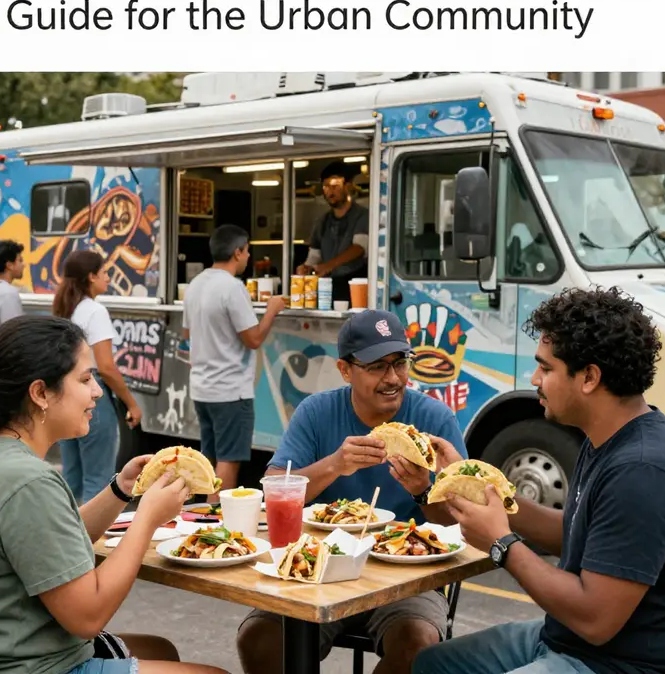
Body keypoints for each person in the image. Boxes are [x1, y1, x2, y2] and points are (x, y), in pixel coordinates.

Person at [414, 287, 665, 674]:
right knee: (429, 664)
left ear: (589, 377)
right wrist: (477, 487)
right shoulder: (609, 436)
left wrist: (501, 544)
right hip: (565, 640)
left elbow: (595, 621)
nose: (534, 378)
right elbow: (575, 533)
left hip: (616, 664)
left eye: (546, 368)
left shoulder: (643, 472)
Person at [0, 315, 226, 674]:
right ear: (40, 393)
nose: (97, 391)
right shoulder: (27, 481)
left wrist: (120, 490)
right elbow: (88, 617)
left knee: (161, 650)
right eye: (85, 379)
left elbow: (49, 543)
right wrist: (147, 518)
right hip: (30, 668)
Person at [236, 309, 467, 674]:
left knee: (418, 646)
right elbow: (274, 490)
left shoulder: (435, 419)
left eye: (400, 363)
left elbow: (463, 524)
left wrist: (424, 491)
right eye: (377, 367)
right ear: (345, 370)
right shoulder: (316, 412)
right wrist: (335, 465)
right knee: (258, 638)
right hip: (320, 567)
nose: (393, 378)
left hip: (409, 579)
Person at [182, 224, 286, 495]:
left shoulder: (195, 284)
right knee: (228, 459)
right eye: (247, 251)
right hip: (230, 390)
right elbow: (253, 339)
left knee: (210, 457)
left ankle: (202, 514)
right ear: (237, 252)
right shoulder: (232, 287)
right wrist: (272, 310)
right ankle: (216, 515)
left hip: (202, 387)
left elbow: (186, 333)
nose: (249, 256)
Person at [53, 250, 143, 504]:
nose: (108, 278)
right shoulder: (95, 311)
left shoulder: (66, 308)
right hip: (91, 396)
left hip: (65, 394)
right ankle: (93, 530)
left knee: (72, 478)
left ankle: (67, 526)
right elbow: (106, 367)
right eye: (104, 272)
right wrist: (132, 404)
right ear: (91, 277)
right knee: (98, 478)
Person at [296, 161, 369, 303]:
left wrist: (328, 266)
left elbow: (359, 248)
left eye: (335, 186)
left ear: (348, 186)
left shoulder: (362, 215)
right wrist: (307, 267)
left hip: (355, 285)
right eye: (326, 186)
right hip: (327, 288)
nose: (330, 191)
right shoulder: (322, 221)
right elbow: (315, 255)